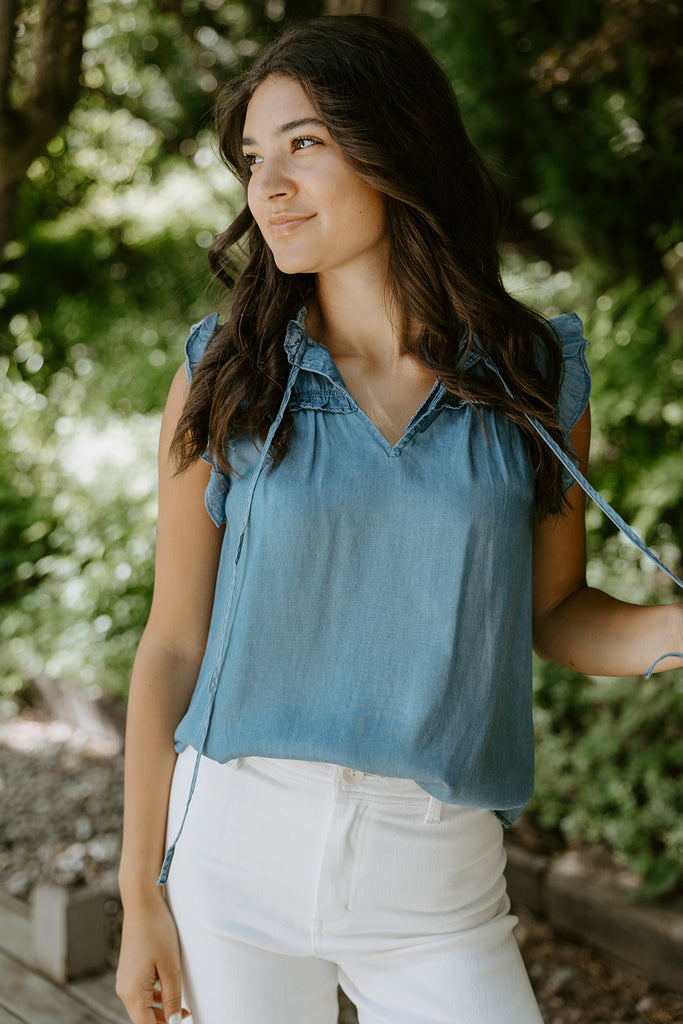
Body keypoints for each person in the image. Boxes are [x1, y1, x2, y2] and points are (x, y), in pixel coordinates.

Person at [115, 15, 683, 1024]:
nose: (268, 188)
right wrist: (139, 891)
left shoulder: (529, 375)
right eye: (253, 158)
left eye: (304, 145)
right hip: (231, 853)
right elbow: (172, 643)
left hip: (436, 876)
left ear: (394, 148)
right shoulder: (224, 375)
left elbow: (553, 611)